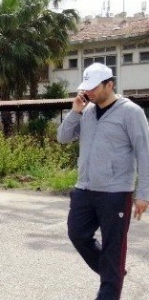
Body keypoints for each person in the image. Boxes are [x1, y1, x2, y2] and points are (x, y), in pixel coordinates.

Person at [57, 62, 149, 300]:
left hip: (115, 193)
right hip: (84, 189)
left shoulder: (131, 112)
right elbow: (63, 138)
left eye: (94, 87)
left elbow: (145, 152)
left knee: (113, 247)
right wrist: (74, 111)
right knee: (77, 234)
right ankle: (113, 271)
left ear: (110, 84)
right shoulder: (86, 111)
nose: (88, 92)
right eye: (86, 88)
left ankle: (110, 284)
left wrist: (143, 193)